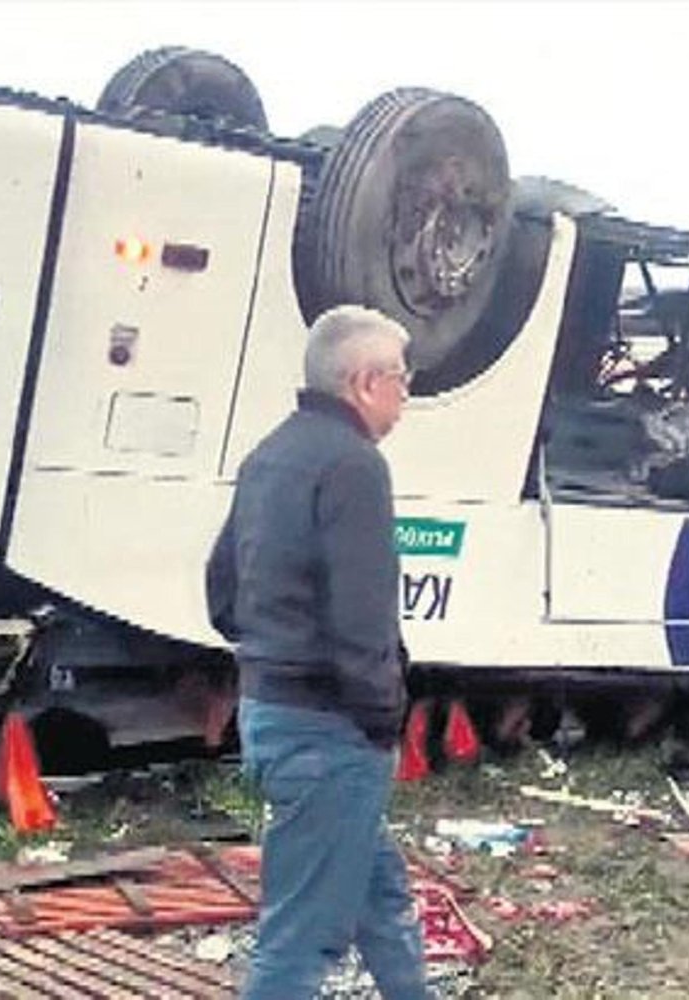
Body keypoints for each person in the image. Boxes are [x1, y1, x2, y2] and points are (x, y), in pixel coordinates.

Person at [206, 305, 425, 999]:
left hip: (270, 713)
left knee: (379, 895)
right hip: (330, 731)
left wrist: (272, 649)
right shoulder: (355, 466)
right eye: (402, 377)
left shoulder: (269, 455)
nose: (407, 393)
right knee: (301, 939)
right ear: (364, 382)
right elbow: (362, 618)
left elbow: (221, 593)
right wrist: (384, 720)